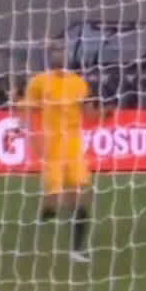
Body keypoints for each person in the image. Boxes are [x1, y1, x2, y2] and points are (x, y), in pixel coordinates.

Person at [18, 40, 101, 262]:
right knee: (53, 200)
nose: (59, 55)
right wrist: (30, 136)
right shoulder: (39, 82)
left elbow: (90, 114)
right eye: (55, 52)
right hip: (52, 146)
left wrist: (104, 112)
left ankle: (77, 250)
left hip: (74, 146)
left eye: (62, 51)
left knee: (81, 195)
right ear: (49, 56)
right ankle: (36, 232)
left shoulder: (78, 83)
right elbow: (27, 112)